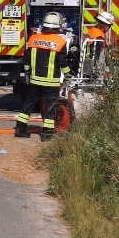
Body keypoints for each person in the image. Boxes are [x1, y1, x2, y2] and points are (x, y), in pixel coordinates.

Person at [14, 12, 71, 142]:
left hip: (35, 79)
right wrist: (67, 75)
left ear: (44, 25)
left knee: (29, 103)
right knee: (51, 106)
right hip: (51, 82)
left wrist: (27, 72)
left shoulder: (33, 39)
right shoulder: (60, 42)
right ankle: (47, 133)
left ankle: (20, 129)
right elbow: (63, 62)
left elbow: (27, 59)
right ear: (57, 27)